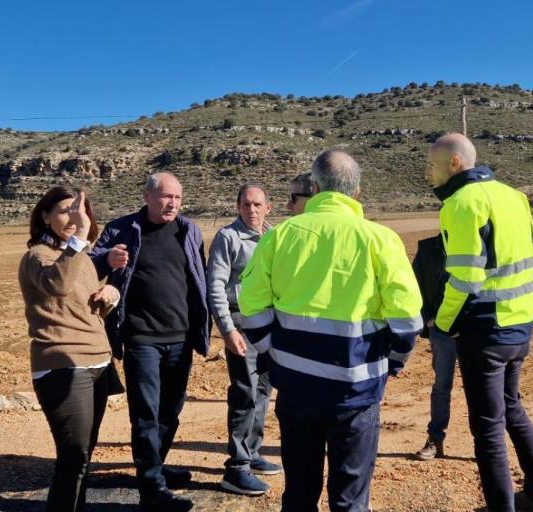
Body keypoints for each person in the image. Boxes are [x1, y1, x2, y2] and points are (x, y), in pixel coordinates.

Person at [238, 150, 423, 512]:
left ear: (317, 186)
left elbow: (251, 306)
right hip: (356, 392)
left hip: (295, 388)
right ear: (356, 193)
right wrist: (393, 363)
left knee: (300, 493)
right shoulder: (380, 239)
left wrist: (272, 351)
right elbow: (407, 320)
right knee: (350, 499)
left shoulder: (281, 235)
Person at [426, 133, 533, 512]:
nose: (427, 173)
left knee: (487, 429)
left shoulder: (461, 203)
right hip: (520, 324)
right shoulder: (514, 196)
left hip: (485, 332)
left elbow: (465, 278)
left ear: (454, 163)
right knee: (512, 406)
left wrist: (443, 324)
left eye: (432, 165)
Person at [91, 172, 208, 512]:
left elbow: (196, 279)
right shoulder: (122, 229)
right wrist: (107, 259)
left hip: (181, 338)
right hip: (142, 338)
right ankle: (151, 491)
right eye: (166, 196)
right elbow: (89, 265)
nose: (172, 203)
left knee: (170, 411)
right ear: (147, 196)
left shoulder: (190, 230)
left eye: (178, 198)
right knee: (145, 414)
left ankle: (155, 468)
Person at [18, 186, 123, 512]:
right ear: (45, 216)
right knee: (73, 455)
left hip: (97, 362)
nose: (74, 217)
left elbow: (84, 311)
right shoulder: (37, 257)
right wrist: (79, 240)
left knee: (85, 453)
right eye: (65, 210)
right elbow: (57, 285)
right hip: (63, 366)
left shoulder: (82, 260)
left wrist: (111, 296)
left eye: (80, 211)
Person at [207, 184, 281, 496]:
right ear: (238, 207)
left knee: (263, 389)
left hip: (269, 323)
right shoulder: (229, 238)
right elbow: (216, 286)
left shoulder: (274, 237)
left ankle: (252, 452)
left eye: (257, 204)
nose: (251, 210)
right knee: (244, 392)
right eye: (246, 204)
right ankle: (236, 467)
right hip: (241, 323)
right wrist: (227, 330)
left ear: (269, 207)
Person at [410, 233, 456, 461]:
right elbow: (413, 285)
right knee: (441, 386)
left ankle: (487, 445)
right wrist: (427, 318)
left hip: (475, 330)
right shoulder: (428, 248)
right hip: (441, 330)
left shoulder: (480, 243)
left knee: (483, 389)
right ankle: (435, 440)